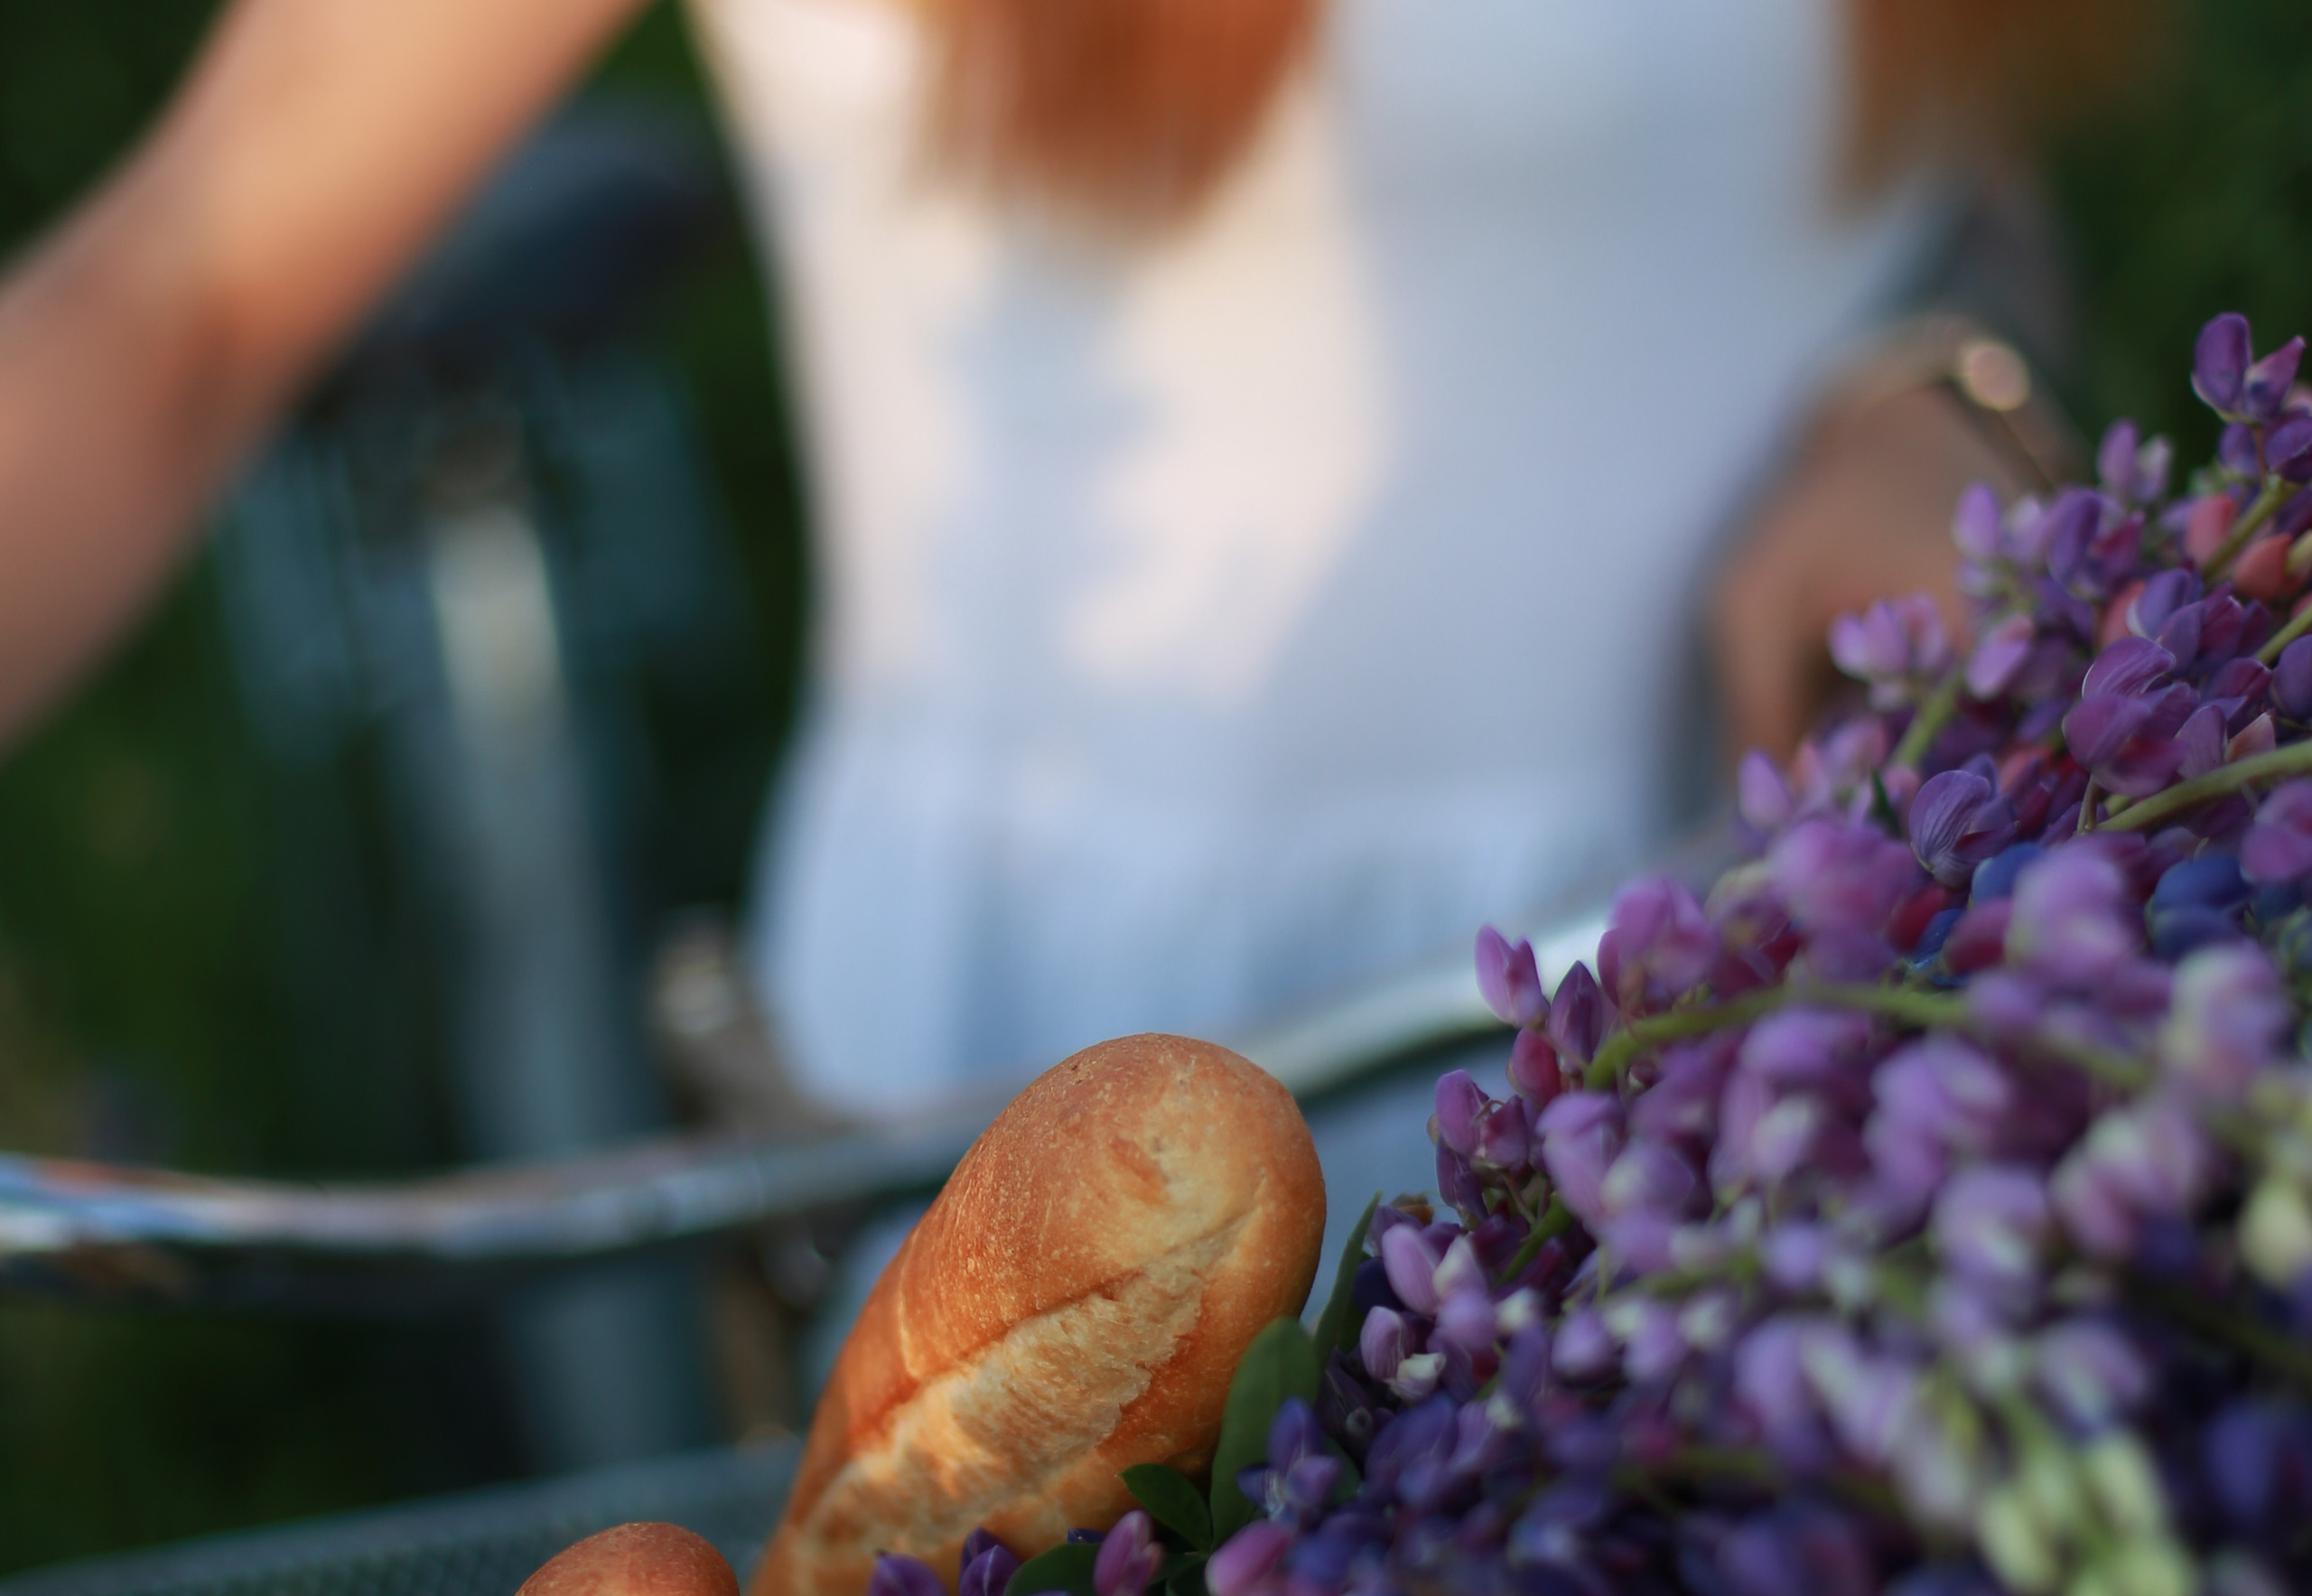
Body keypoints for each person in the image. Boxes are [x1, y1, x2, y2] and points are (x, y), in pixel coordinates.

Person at [0, 0, 2138, 1119]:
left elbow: (1927, 165)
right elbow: (175, 295)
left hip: (1810, 1043)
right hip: (1067, 1111)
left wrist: (1925, 393)